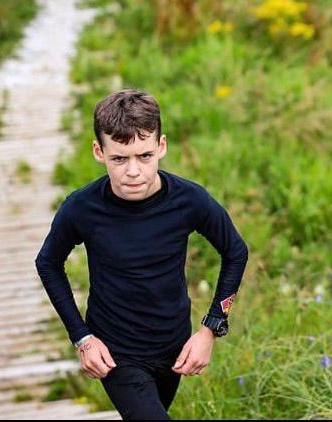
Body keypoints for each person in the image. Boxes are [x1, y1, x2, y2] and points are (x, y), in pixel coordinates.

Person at [35, 88, 249, 419]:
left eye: (144, 156)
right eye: (119, 158)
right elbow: (48, 263)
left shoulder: (189, 200)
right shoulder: (82, 207)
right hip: (116, 353)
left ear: (161, 147)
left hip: (173, 348)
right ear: (99, 151)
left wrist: (210, 328)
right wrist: (82, 337)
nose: (133, 171)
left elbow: (235, 252)